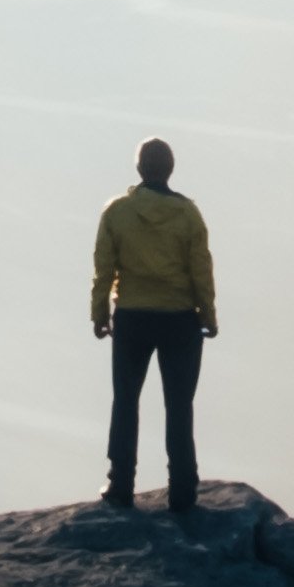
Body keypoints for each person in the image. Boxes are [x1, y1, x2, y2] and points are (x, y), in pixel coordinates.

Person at [89, 138, 217, 516]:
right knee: (179, 405)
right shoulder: (188, 214)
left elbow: (103, 268)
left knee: (125, 401)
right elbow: (201, 270)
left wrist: (99, 312)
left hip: (132, 317)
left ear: (139, 168)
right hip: (180, 320)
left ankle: (121, 485)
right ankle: (182, 492)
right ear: (170, 169)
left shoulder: (118, 212)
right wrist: (208, 316)